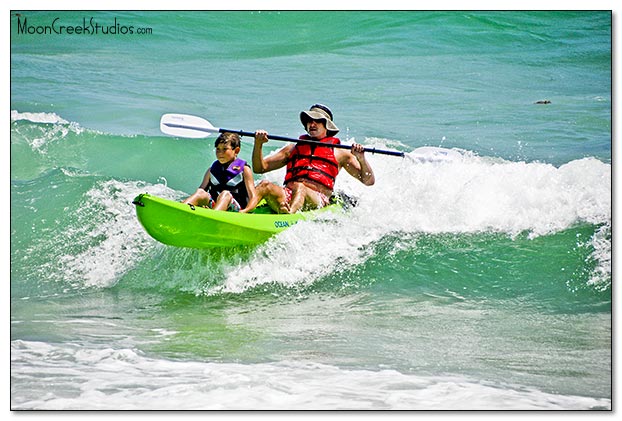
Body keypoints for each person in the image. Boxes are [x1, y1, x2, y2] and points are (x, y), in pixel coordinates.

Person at [249, 104, 375, 214]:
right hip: (288, 194)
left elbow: (368, 180)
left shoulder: (340, 153)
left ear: (326, 125)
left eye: (317, 120)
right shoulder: (293, 148)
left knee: (301, 187)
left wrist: (361, 159)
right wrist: (258, 144)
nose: (312, 124)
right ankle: (243, 212)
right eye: (309, 121)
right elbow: (260, 168)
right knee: (265, 185)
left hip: (317, 200)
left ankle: (289, 215)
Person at [182, 132, 257, 213]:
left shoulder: (244, 170)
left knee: (225, 194)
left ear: (236, 151)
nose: (220, 153)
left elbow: (253, 197)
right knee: (200, 192)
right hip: (215, 206)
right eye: (218, 149)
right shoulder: (211, 170)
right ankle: (182, 209)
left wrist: (246, 211)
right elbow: (201, 191)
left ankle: (212, 218)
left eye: (225, 149)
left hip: (237, 211)